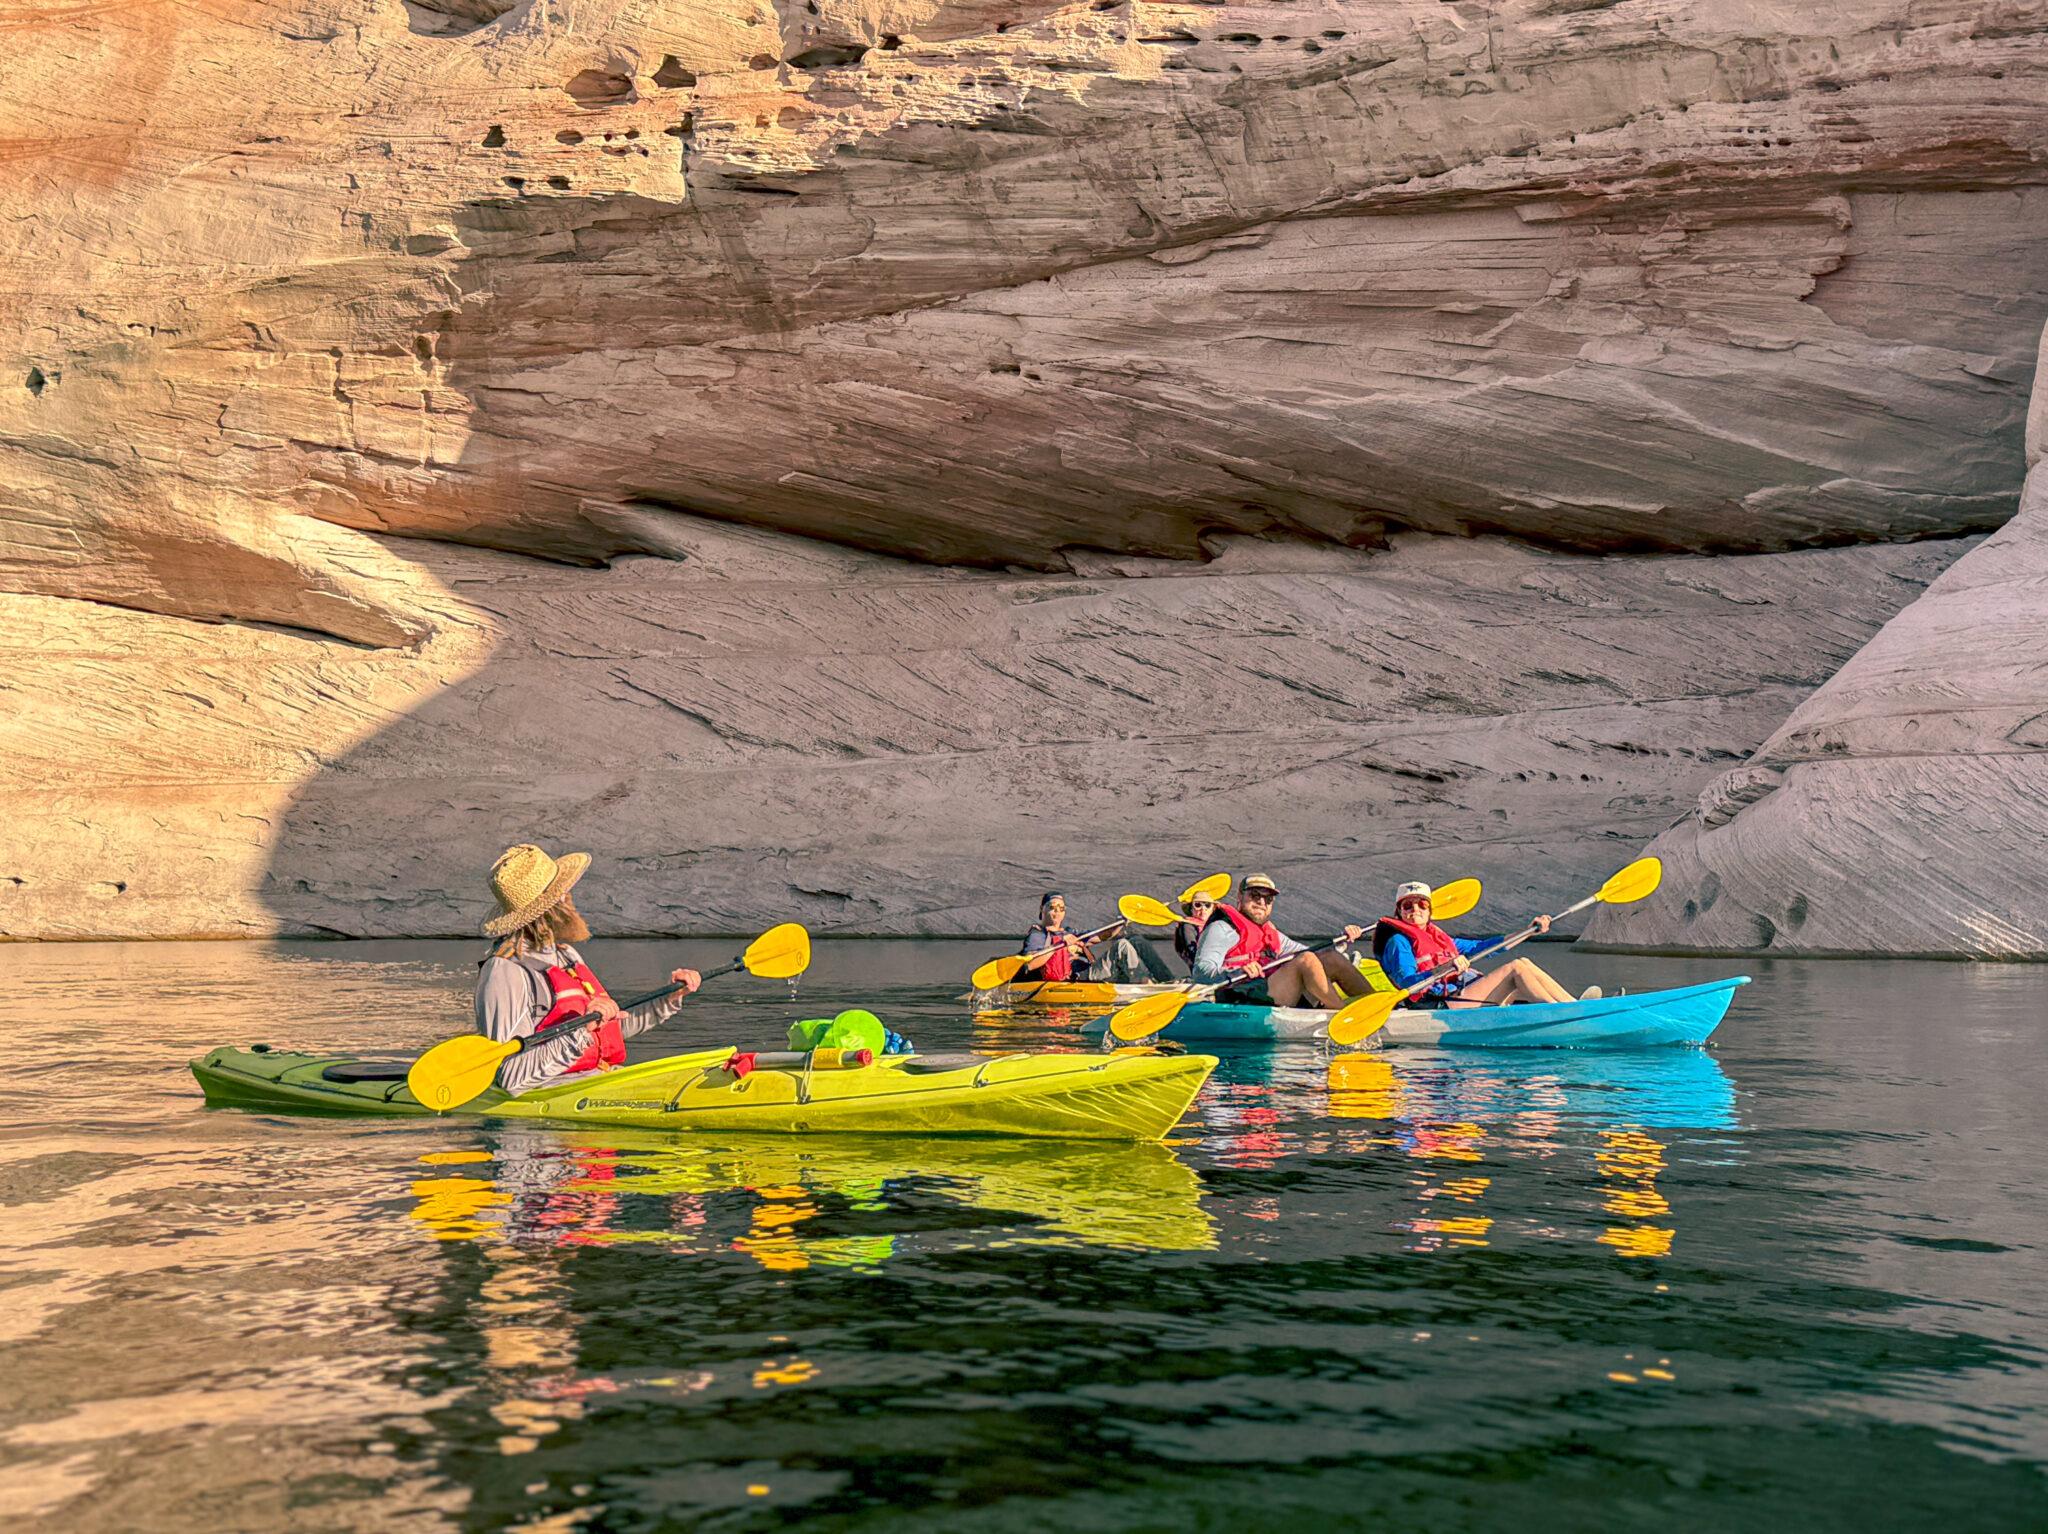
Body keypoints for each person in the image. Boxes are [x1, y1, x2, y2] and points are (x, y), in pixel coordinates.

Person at [476, 843, 702, 1095]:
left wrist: (669, 998)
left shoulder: (565, 954)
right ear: (552, 904)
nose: (569, 895)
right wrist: (580, 1031)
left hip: (596, 1080)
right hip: (553, 1098)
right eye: (563, 891)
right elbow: (510, 1076)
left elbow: (609, 1030)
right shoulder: (504, 971)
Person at [1372, 880, 1578, 1007]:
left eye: (1422, 905)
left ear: (1429, 910)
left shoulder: (1439, 938)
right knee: (1515, 969)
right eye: (1407, 906)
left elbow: (1483, 948)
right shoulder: (1398, 941)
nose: (1415, 910)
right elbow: (1407, 983)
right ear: (1399, 912)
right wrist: (1445, 969)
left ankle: (1573, 1006)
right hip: (1439, 1005)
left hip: (1461, 995)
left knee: (1524, 963)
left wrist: (1527, 932)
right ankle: (1563, 1015)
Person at [1189, 874, 1373, 1009]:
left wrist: (1344, 940)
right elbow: (1201, 973)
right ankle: (1341, 1014)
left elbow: (1315, 955)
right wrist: (1238, 970)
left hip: (1271, 990)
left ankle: (1383, 1008)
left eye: (1268, 899)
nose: (1262, 902)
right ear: (1239, 897)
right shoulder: (1221, 928)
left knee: (1330, 958)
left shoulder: (1270, 932)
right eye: (1255, 896)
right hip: (1242, 996)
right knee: (1305, 960)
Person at [1019, 892, 1174, 985]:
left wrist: (1120, 924)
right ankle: (1143, 984)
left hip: (1091, 970)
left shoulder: (1068, 932)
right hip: (1079, 978)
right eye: (1052, 907)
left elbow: (1101, 936)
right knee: (1121, 946)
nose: (1057, 912)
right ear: (1042, 910)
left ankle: (1168, 981)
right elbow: (1030, 964)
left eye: (1061, 908)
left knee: (1136, 940)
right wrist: (1062, 944)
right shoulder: (1038, 935)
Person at [1173, 889, 1216, 973]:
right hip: (1204, 970)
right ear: (1191, 909)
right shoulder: (1187, 926)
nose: (1203, 909)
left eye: (1207, 905)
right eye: (1198, 905)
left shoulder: (1217, 925)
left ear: (1212, 909)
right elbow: (1192, 952)